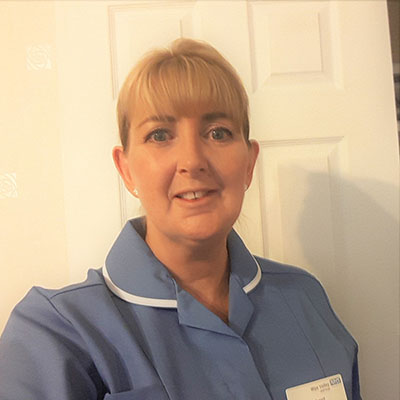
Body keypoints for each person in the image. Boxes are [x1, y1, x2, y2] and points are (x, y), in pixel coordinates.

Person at [0, 38, 361, 399]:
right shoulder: (57, 334)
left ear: (249, 163)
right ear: (126, 170)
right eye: (159, 135)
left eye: (218, 132)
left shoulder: (305, 299)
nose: (192, 159)